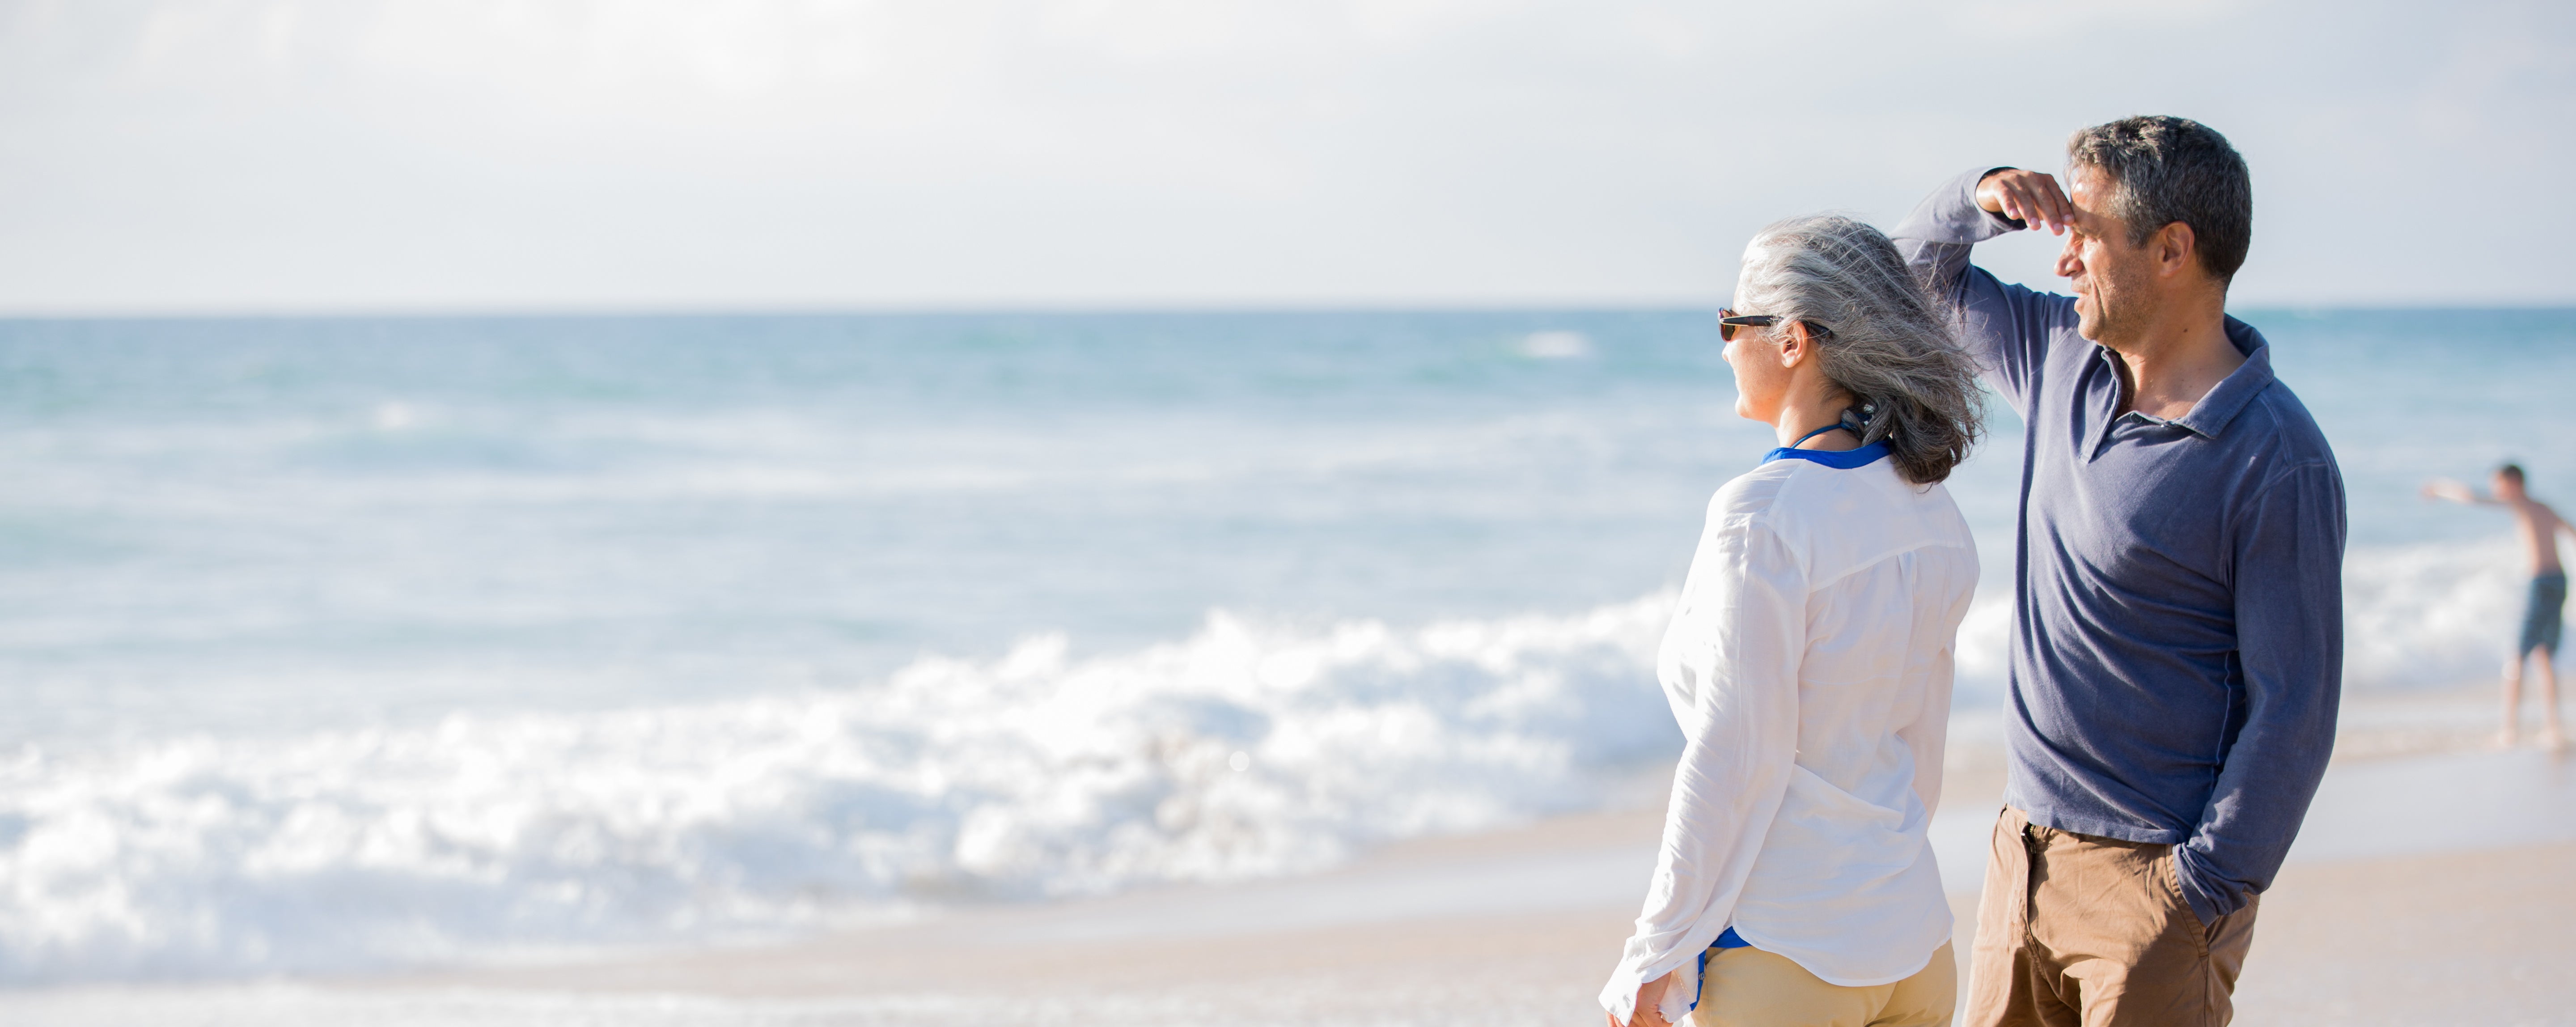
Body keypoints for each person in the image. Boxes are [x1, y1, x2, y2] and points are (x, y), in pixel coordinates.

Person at [1890, 116, 2346, 1027]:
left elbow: (2295, 707)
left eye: (2087, 236)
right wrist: (1978, 196)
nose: (2064, 263)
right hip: (2021, 856)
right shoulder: (2064, 358)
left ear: (2173, 249)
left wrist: (2198, 892)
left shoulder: (2275, 457)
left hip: (2155, 887)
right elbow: (1907, 285)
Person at [1599, 215, 1985, 1027]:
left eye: (1731, 323)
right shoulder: (1933, 510)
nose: (1725, 344)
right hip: (1914, 940)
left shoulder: (1763, 514)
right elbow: (1922, 750)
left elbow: (1738, 751)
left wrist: (1654, 947)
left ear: (1793, 341)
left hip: (1787, 953)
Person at [2423, 463, 2571, 749]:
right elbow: (2572, 533)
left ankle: (2509, 730)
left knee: (2517, 655)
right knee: (2544, 655)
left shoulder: (2520, 503)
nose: (2496, 490)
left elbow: (2471, 497)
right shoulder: (2544, 507)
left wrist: (2438, 488)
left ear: (2514, 484)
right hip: (2560, 581)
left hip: (2541, 583)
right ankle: (2554, 728)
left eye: (2499, 484)